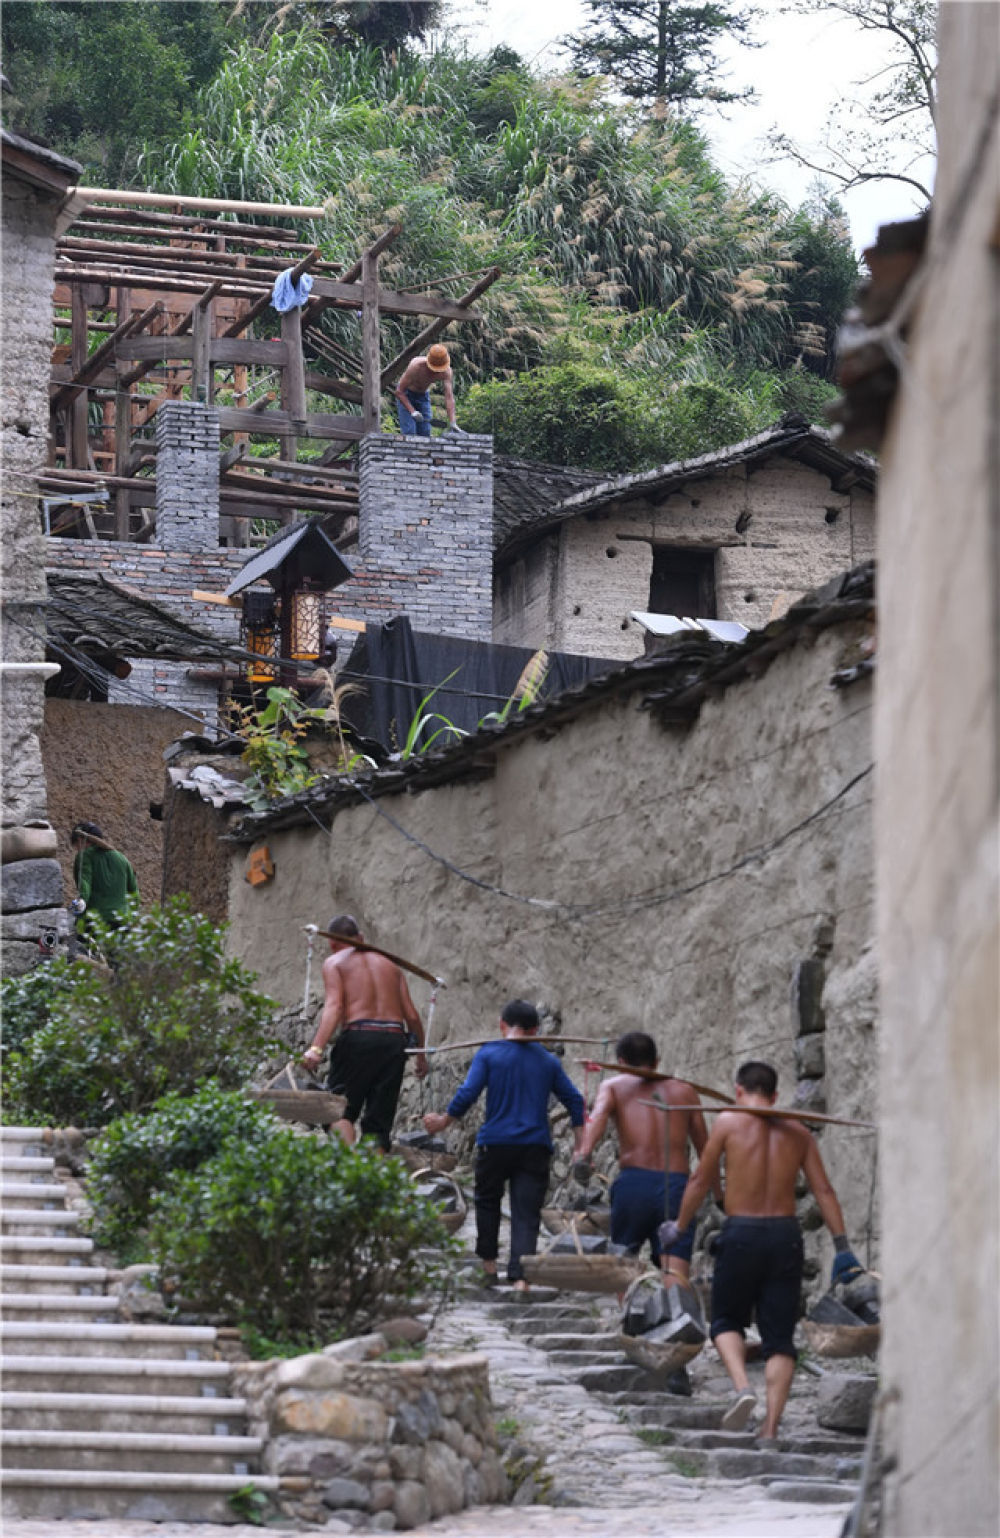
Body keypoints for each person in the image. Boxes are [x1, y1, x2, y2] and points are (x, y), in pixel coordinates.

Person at [660, 1060, 864, 1441]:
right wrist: (842, 1247)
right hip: (785, 1237)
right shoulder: (799, 1132)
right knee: (779, 1339)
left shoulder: (727, 1123)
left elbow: (701, 1179)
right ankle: (770, 1430)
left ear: (738, 1090)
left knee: (725, 1321)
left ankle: (742, 1388)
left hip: (742, 1233)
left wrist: (680, 1226)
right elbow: (824, 1191)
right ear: (775, 1095)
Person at [423, 1000, 586, 1291]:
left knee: (487, 1203)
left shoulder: (489, 1054)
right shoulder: (548, 1062)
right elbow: (575, 1101)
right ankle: (521, 1279)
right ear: (535, 1030)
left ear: (502, 1025)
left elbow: (468, 1092)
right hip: (534, 1146)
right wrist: (580, 1145)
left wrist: (444, 1120)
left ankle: (488, 1267)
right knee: (526, 1211)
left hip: (495, 1144)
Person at [574, 1031, 720, 1285]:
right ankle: (676, 1306)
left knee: (623, 1263)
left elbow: (597, 1117)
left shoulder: (613, 1086)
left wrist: (584, 1154)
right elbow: (705, 1151)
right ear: (656, 1061)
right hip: (675, 1187)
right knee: (675, 1268)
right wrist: (719, 1195)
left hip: (633, 1184)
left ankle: (628, 1309)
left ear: (621, 1061)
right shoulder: (685, 1091)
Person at [301, 914, 428, 1152]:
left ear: (332, 943)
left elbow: (335, 1007)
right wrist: (421, 1056)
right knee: (378, 1124)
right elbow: (412, 1016)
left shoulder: (335, 962)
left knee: (339, 1110)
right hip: (394, 1041)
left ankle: (349, 1166)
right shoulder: (391, 967)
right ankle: (371, 1173)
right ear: (360, 937)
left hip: (359, 1038)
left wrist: (316, 1049)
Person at [69, 822, 138, 929]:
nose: (77, 849)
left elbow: (85, 887)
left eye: (76, 845)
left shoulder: (84, 856)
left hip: (97, 922)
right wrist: (132, 919)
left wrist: (79, 907)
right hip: (122, 923)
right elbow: (134, 893)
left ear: (80, 839)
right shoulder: (122, 859)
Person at [394, 343, 457, 437]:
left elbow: (449, 397)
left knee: (425, 432)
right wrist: (412, 411)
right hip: (406, 395)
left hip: (423, 397)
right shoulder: (416, 366)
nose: (436, 372)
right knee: (409, 432)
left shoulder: (446, 372)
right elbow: (399, 392)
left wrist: (453, 422)